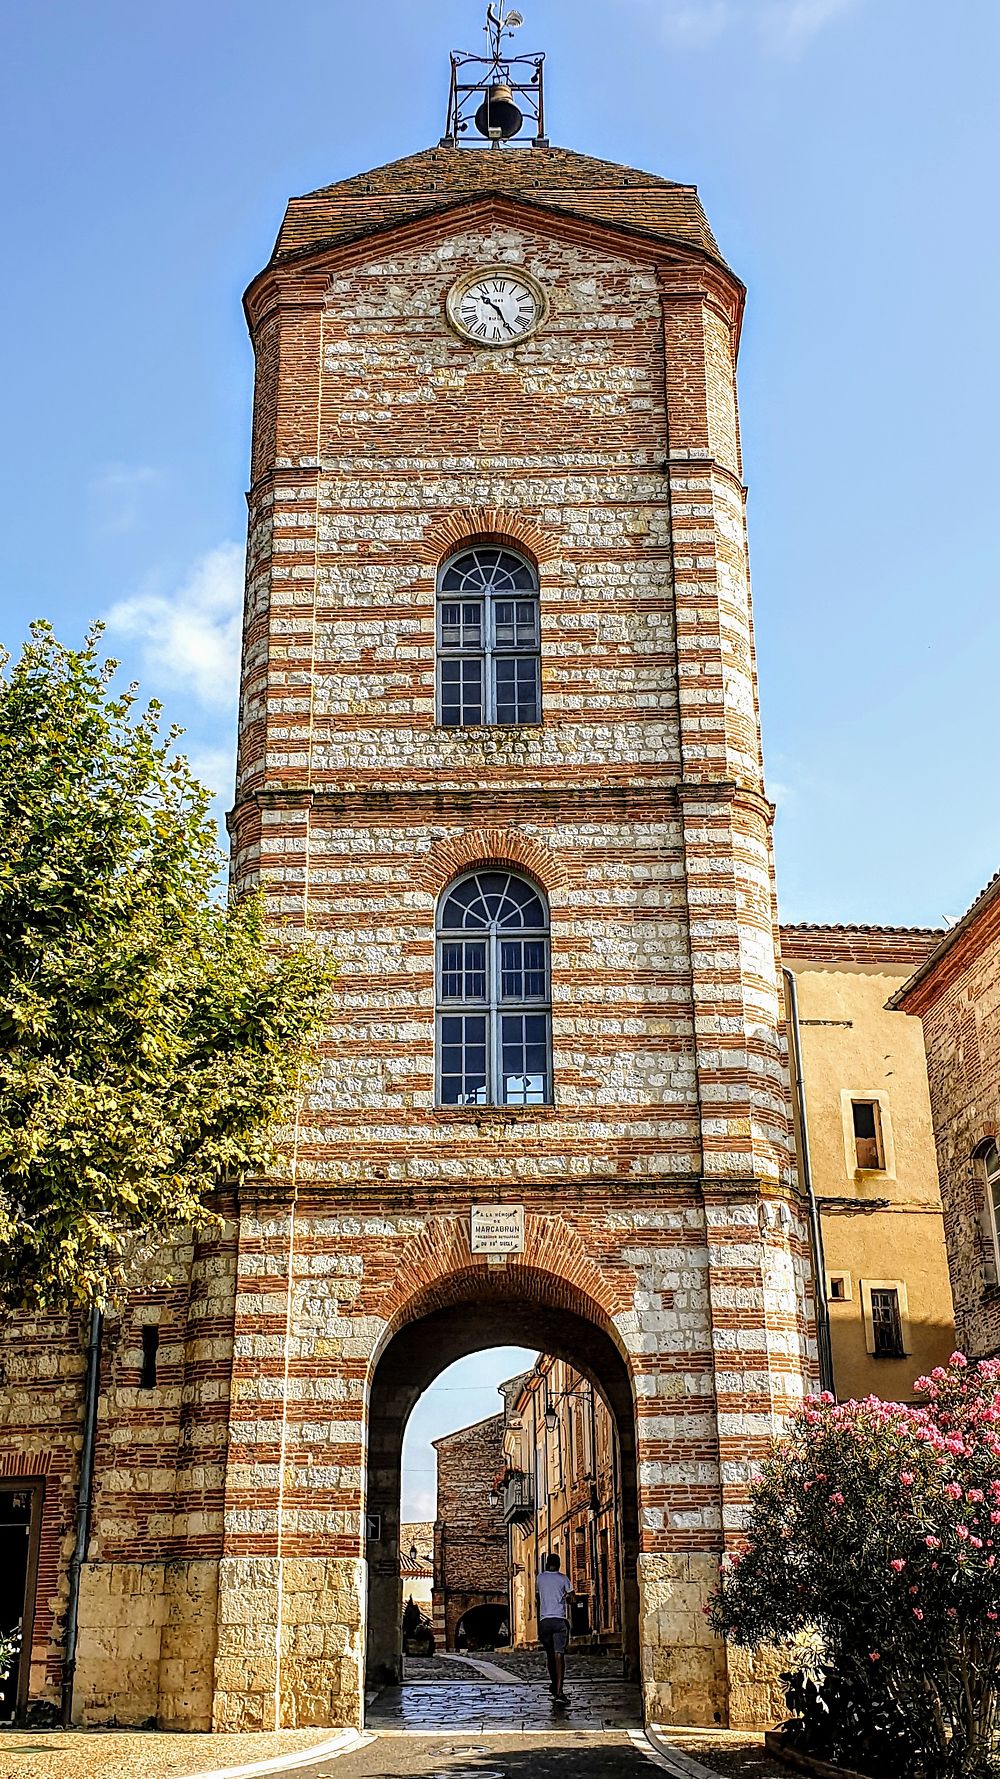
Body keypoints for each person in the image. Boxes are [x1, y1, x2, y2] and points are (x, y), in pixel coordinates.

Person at [536, 1551, 573, 1705]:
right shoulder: (563, 1578)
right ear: (558, 1565)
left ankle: (553, 1683)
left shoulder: (540, 1578)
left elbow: (538, 1597)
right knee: (559, 1654)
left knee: (550, 1654)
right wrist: (567, 1598)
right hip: (559, 1619)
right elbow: (573, 1598)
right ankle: (559, 1690)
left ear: (546, 1564)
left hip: (544, 1621)